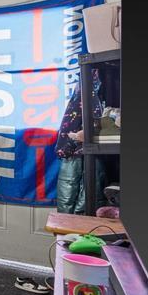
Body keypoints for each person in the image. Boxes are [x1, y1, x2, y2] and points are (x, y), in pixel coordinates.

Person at [55, 70, 106, 214]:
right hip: (77, 152)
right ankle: (68, 229)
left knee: (80, 197)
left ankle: (73, 229)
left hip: (82, 153)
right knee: (74, 194)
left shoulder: (88, 97)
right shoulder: (85, 96)